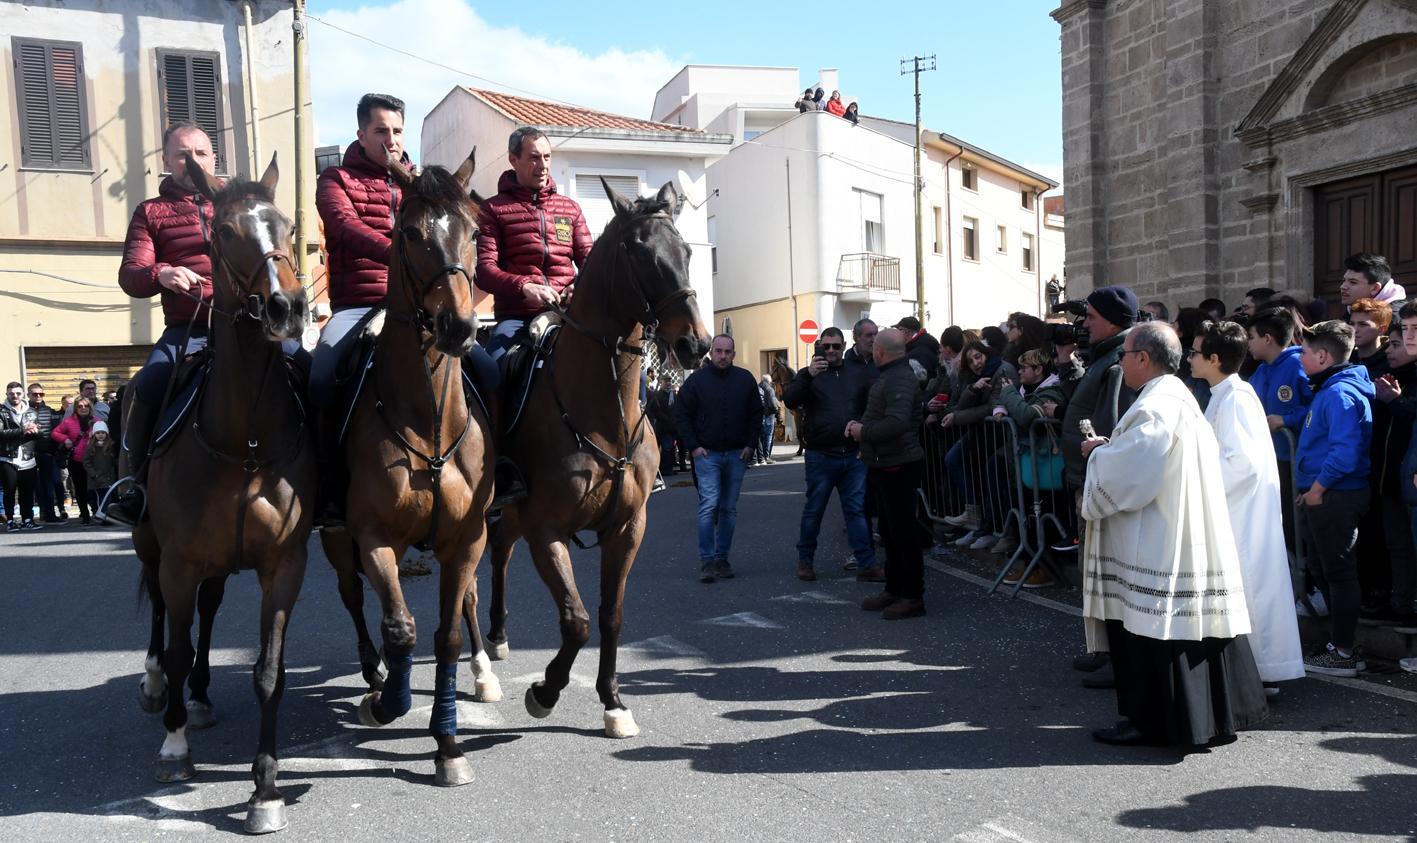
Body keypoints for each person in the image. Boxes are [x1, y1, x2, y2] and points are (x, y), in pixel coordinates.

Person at [1079, 322, 1266, 747]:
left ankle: (1153, 722)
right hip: (1178, 531)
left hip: (1160, 540)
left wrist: (1097, 455)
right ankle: (1207, 721)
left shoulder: (1156, 405)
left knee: (1153, 629)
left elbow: (1133, 473)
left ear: (1143, 358)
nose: (1121, 363)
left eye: (1124, 355)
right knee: (1189, 630)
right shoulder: (1176, 396)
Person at [108, 122, 222, 525]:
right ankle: (132, 489)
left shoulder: (239, 201)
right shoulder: (150, 212)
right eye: (181, 154)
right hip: (187, 329)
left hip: (247, 325)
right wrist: (162, 273)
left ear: (215, 158)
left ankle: (324, 482)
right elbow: (131, 275)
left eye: (201, 153)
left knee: (307, 371)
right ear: (166, 161)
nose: (192, 161)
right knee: (145, 385)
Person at [1190, 321, 1305, 688]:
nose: (1189, 358)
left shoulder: (1236, 396)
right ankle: (1248, 672)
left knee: (1252, 589)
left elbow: (1242, 464)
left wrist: (1197, 481)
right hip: (1236, 511)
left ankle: (1260, 671)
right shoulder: (1225, 392)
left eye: (1195, 353)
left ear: (1214, 358)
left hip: (1242, 516)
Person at [1061, 284, 1139, 679]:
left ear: (1110, 320)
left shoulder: (1118, 363)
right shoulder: (1106, 356)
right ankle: (1105, 649)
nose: (1084, 323)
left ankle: (1116, 658)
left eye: (1090, 316)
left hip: (1099, 482)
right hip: (1090, 477)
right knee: (1094, 568)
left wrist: (1091, 484)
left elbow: (1109, 427)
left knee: (1107, 570)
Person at [1294, 320, 1375, 677]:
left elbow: (1345, 453)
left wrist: (1317, 488)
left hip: (1336, 496)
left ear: (1324, 356)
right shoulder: (1331, 389)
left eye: (1306, 352)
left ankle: (1343, 652)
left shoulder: (1338, 394)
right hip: (1328, 494)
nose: (1301, 358)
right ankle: (1340, 645)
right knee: (1328, 570)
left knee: (1339, 573)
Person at [475, 126, 593, 360]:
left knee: (631, 374)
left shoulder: (569, 208)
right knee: (494, 370)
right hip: (518, 319)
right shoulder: (491, 209)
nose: (543, 165)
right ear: (513, 159)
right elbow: (484, 272)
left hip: (570, 314)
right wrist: (525, 287)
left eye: (547, 157)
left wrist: (578, 285)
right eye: (534, 157)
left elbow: (590, 261)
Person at [783, 326, 876, 582]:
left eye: (836, 346)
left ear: (844, 346)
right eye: (827, 346)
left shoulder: (857, 372)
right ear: (820, 347)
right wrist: (808, 376)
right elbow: (789, 400)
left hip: (852, 455)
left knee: (856, 510)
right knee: (814, 509)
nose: (831, 351)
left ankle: (866, 564)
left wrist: (863, 433)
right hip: (820, 455)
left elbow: (870, 405)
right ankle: (805, 561)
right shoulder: (809, 374)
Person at [848, 328, 926, 619]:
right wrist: (862, 429)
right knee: (891, 534)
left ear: (880, 352)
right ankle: (894, 589)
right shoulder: (893, 376)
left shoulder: (899, 379)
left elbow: (896, 423)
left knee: (903, 533)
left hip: (899, 464)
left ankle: (912, 596)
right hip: (886, 462)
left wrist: (862, 431)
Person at [673, 335, 762, 583]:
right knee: (709, 506)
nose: (723, 356)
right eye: (719, 351)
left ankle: (722, 558)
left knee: (729, 509)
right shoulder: (696, 382)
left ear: (734, 354)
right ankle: (708, 561)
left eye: (728, 352)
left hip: (737, 454)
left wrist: (750, 445)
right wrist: (693, 446)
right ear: (711, 353)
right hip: (707, 455)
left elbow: (756, 414)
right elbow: (680, 414)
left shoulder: (745, 380)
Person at [1368, 315, 1417, 626]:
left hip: (1409, 480)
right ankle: (1400, 604)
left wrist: (1396, 402)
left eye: (1397, 344)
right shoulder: (1387, 376)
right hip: (1389, 480)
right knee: (1397, 546)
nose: (1389, 350)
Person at [2, 382, 43, 530]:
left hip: (27, 458)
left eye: (18, 393)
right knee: (10, 491)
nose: (15, 396)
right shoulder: (1, 411)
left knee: (27, 492)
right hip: (7, 457)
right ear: (7, 394)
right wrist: (22, 430)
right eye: (11, 393)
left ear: (23, 394)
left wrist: (37, 432)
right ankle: (10, 521)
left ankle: (28, 519)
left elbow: (41, 433)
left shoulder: (31, 411)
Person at [51, 397, 97, 525]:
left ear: (90, 408)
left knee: (94, 488)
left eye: (86, 406)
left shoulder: (96, 421)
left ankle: (97, 512)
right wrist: (65, 439)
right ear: (75, 408)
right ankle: (85, 515)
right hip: (76, 461)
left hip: (94, 461)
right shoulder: (69, 421)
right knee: (80, 488)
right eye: (80, 406)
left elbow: (106, 436)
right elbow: (55, 433)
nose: (83, 408)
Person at [26, 383, 64, 523]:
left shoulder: (50, 411)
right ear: (28, 395)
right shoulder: (23, 410)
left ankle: (50, 514)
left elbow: (56, 432)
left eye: (40, 394)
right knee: (30, 486)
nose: (37, 396)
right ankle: (29, 517)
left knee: (49, 485)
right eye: (34, 394)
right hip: (28, 455)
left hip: (47, 453)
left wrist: (56, 450)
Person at [1340, 252, 1405, 313]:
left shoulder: (1398, 317)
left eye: (1353, 282)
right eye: (1344, 280)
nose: (1343, 287)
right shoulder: (1352, 311)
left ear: (1375, 288)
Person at [1348, 296, 1391, 383]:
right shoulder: (1344, 359)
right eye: (1352, 324)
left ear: (1382, 329)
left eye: (1363, 325)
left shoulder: (1392, 362)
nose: (1354, 330)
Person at [84, 420, 118, 524]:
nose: (101, 435)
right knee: (102, 497)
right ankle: (101, 515)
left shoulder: (111, 446)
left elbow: (114, 461)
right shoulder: (91, 447)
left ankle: (105, 515)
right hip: (97, 478)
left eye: (103, 433)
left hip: (109, 477)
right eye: (98, 433)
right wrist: (94, 474)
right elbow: (86, 462)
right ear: (94, 434)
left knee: (108, 497)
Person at [646, 373, 679, 476]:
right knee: (665, 448)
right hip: (661, 426)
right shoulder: (657, 394)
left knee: (669, 449)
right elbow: (653, 410)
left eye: (669, 381)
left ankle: (666, 469)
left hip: (671, 427)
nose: (668, 383)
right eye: (666, 381)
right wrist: (664, 418)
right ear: (661, 382)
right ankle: (662, 470)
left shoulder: (673, 394)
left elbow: (676, 409)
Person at [895, 315, 941, 381]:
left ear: (907, 331)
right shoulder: (921, 344)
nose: (897, 333)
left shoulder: (919, 351)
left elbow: (922, 379)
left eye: (900, 330)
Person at [756, 374, 780, 465]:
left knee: (761, 437)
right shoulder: (770, 389)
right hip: (769, 415)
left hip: (760, 415)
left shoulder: (758, 387)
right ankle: (767, 457)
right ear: (769, 381)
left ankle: (761, 457)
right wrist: (776, 413)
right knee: (768, 437)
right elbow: (774, 404)